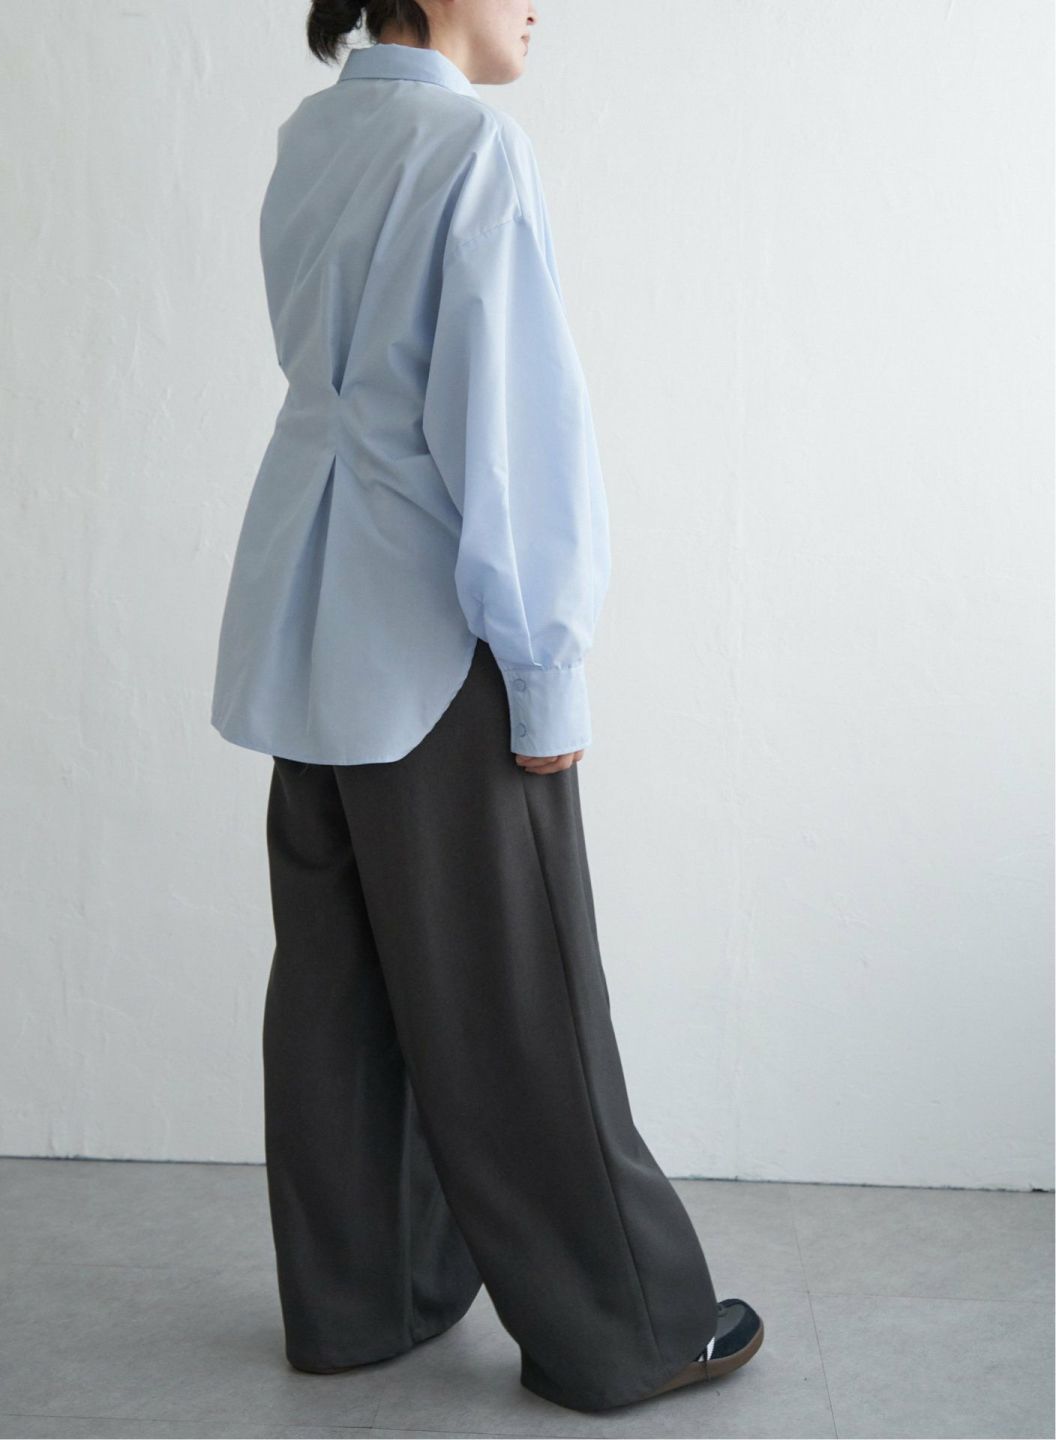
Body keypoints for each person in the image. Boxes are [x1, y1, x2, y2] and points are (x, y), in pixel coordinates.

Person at [210, 0, 764, 1414]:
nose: (539, 5)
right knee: (527, 1000)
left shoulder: (312, 136)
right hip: (435, 635)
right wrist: (546, 659)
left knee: (338, 985)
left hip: (308, 614)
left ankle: (362, 1301)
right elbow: (508, 433)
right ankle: (628, 1328)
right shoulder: (470, 151)